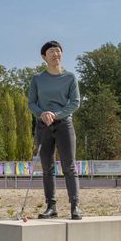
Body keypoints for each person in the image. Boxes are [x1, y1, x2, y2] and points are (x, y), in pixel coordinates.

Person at [27, 40, 83, 220]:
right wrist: (42, 114)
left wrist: (56, 114)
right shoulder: (37, 79)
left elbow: (75, 102)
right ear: (44, 57)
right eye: (51, 52)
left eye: (58, 51)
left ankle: (75, 207)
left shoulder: (70, 77)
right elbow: (31, 103)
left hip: (64, 124)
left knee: (69, 166)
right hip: (43, 126)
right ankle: (51, 207)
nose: (55, 54)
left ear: (61, 54)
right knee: (47, 168)